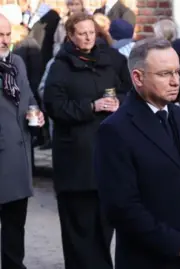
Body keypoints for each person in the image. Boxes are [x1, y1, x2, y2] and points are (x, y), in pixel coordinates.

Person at [94, 37, 180, 269]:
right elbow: (121, 207)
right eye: (163, 74)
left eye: (177, 72)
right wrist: (176, 243)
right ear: (138, 77)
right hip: (148, 259)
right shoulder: (115, 129)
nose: (174, 82)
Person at [43, 13, 129, 269]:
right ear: (70, 36)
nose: (88, 37)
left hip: (108, 155)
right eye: (82, 33)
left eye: (91, 32)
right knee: (79, 228)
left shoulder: (112, 60)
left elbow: (131, 90)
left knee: (104, 226)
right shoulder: (60, 66)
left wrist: (119, 102)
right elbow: (54, 106)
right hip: (75, 161)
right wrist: (90, 106)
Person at [0, 14, 45, 269]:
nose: (5, 40)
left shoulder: (17, 62)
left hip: (18, 157)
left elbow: (27, 98)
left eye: (7, 35)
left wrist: (36, 113)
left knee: (15, 226)